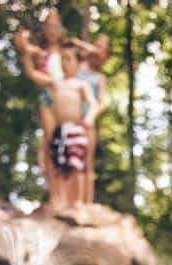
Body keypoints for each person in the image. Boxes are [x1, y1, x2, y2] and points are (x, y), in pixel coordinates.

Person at [21, 43, 97, 211]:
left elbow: (93, 103)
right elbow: (32, 74)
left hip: (76, 129)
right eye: (62, 59)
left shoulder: (80, 84)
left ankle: (78, 202)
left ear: (78, 63)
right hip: (60, 129)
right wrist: (27, 54)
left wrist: (90, 117)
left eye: (69, 59)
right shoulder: (55, 82)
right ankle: (61, 201)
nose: (64, 63)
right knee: (59, 164)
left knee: (77, 165)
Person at [15, 11, 68, 199]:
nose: (53, 31)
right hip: (48, 97)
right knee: (52, 140)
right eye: (49, 26)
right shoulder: (40, 52)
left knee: (67, 143)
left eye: (56, 26)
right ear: (44, 29)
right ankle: (53, 191)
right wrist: (24, 45)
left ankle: (66, 191)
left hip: (67, 101)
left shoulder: (66, 52)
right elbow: (31, 71)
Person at [71, 35, 109, 204]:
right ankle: (71, 200)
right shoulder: (76, 67)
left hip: (87, 122)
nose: (99, 51)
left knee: (87, 163)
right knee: (69, 161)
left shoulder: (100, 78)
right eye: (97, 46)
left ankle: (87, 202)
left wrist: (90, 117)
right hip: (69, 119)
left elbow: (101, 103)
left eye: (104, 48)